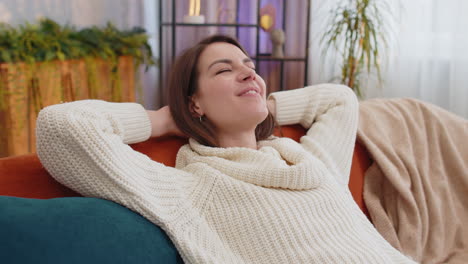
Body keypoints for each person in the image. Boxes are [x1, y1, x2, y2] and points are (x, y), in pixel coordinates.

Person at [36, 35, 416, 263]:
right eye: (223, 70)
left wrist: (261, 103)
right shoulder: (190, 190)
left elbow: (339, 100)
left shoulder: (307, 160)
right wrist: (165, 120)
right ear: (194, 103)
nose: (250, 73)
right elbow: (60, 127)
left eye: (250, 66)